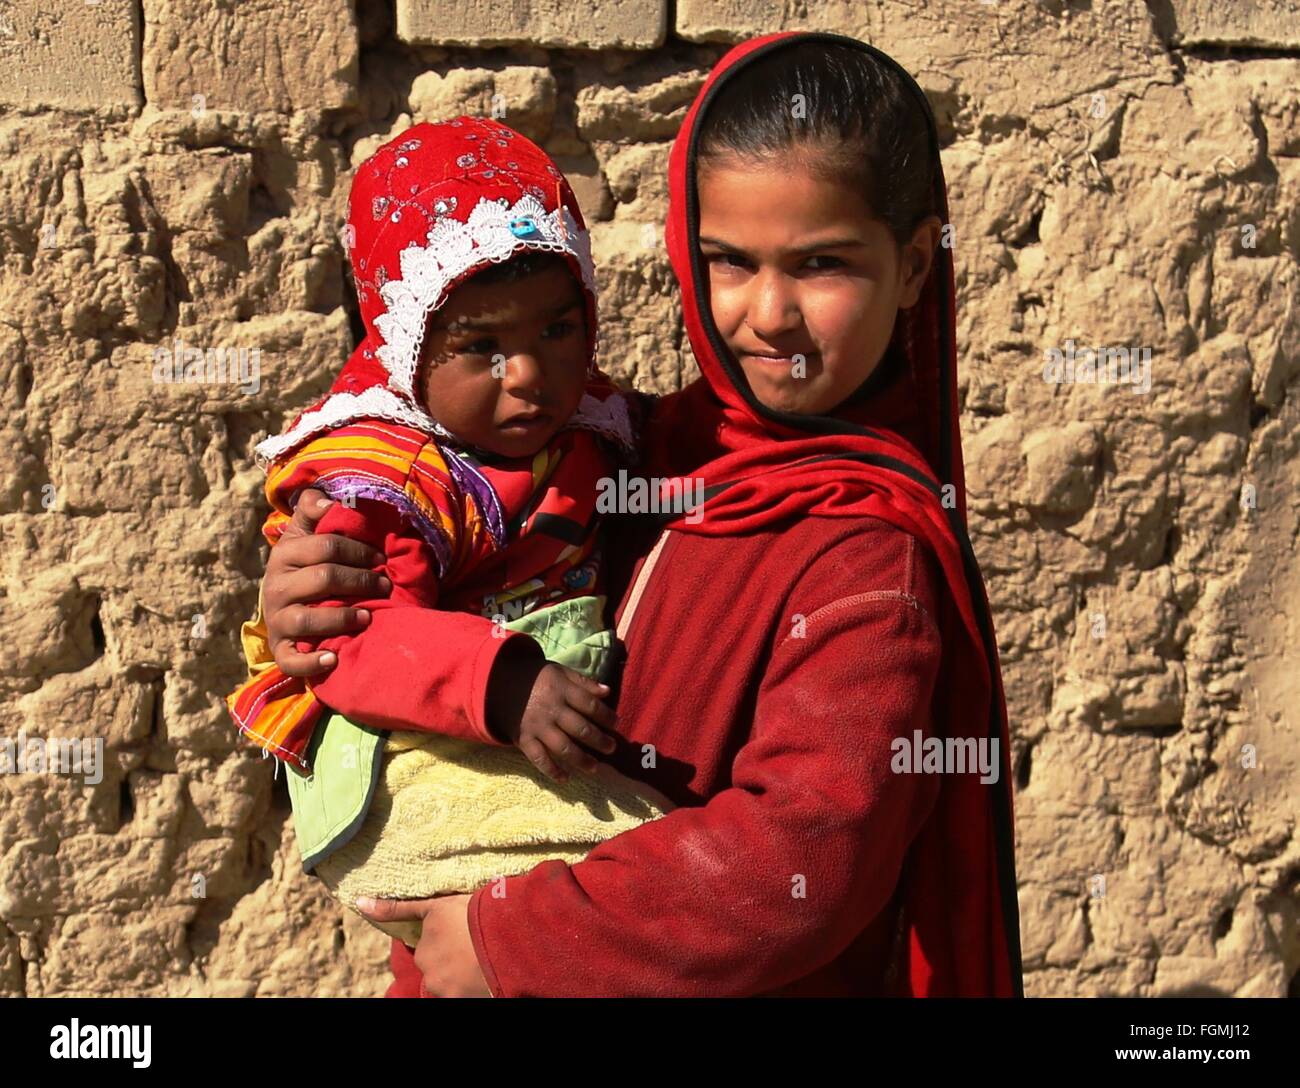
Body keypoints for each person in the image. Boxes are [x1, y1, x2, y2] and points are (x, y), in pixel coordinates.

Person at [254, 31, 1023, 997]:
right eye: (729, 261)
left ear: (912, 266)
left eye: (822, 264)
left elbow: (800, 865)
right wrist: (318, 599)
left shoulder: (867, 561)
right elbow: (441, 570)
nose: (768, 313)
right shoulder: (640, 451)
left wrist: (511, 939)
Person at [223, 118, 672, 947]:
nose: (529, 374)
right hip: (410, 758)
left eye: (557, 330)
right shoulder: (383, 480)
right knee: (646, 880)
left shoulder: (585, 429)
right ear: (406, 347)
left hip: (511, 741)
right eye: (483, 347)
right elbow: (354, 637)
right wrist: (504, 686)